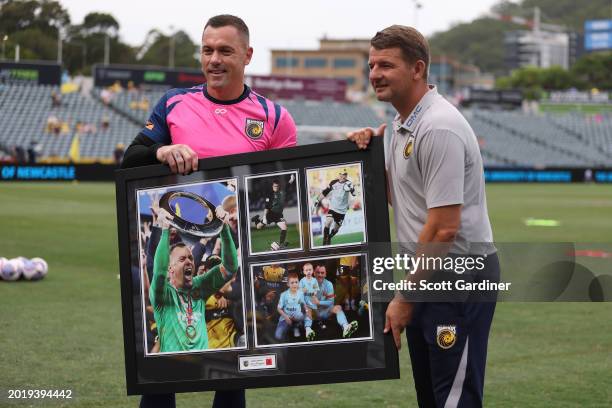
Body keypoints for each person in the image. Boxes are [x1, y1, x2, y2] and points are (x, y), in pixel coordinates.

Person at [121, 13, 297, 408]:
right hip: (181, 236)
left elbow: (286, 186)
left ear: (247, 55)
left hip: (237, 247)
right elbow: (130, 160)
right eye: (207, 50)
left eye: (225, 51)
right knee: (160, 372)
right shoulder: (174, 103)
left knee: (233, 370)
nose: (214, 59)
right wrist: (161, 150)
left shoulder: (274, 118)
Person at [348, 25, 499, 407]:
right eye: (371, 64)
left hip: (457, 277)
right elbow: (406, 200)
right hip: (431, 274)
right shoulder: (403, 124)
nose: (375, 73)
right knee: (433, 397)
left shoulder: (438, 126)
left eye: (386, 64)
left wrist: (404, 297)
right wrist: (365, 158)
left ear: (417, 69)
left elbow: (445, 228)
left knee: (454, 398)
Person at [150, 206, 237, 353]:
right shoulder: (163, 294)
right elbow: (158, 273)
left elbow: (230, 267)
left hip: (202, 366)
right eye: (182, 259)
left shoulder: (200, 286)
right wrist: (165, 229)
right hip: (175, 368)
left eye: (190, 258)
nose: (189, 261)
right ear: (170, 268)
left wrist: (224, 228)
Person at [308, 264, 358, 338]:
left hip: (326, 312)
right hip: (313, 314)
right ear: (314, 273)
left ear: (325, 274)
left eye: (322, 273)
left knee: (338, 307)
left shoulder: (329, 284)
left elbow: (330, 302)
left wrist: (319, 302)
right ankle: (307, 330)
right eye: (318, 272)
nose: (320, 275)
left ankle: (346, 327)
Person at [251, 174, 295, 250]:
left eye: (277, 186)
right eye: (274, 186)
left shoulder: (282, 192)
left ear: (279, 186)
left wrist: (291, 179)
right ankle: (256, 219)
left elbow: (288, 185)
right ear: (272, 186)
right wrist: (264, 216)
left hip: (279, 215)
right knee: (259, 227)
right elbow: (267, 207)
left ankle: (281, 245)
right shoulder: (270, 195)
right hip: (270, 214)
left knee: (284, 227)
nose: (276, 188)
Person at [312, 170, 356, 245]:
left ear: (346, 176)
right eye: (341, 174)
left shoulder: (349, 183)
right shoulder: (333, 182)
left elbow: (354, 193)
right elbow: (325, 192)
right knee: (328, 222)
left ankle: (329, 237)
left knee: (336, 229)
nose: (343, 176)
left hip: (342, 211)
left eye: (345, 175)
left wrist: (352, 190)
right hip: (333, 208)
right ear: (339, 175)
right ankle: (325, 241)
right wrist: (317, 200)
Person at [275, 272, 309, 341]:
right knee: (278, 335)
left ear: (298, 283)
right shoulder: (283, 295)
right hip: (286, 317)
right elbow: (279, 308)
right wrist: (286, 317)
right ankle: (289, 327)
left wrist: (307, 310)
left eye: (296, 282)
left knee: (305, 317)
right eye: (292, 283)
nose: (294, 284)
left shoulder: (300, 293)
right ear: (288, 284)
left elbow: (303, 303)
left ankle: (296, 326)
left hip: (297, 316)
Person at [297, 262, 318, 340]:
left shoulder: (314, 280)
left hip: (311, 300)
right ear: (304, 272)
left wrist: (314, 293)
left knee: (311, 313)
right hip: (303, 300)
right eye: (306, 270)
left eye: (310, 270)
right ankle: (307, 329)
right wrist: (303, 290)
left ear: (313, 271)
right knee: (307, 312)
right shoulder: (302, 281)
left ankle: (307, 327)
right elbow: (299, 291)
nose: (308, 272)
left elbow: (316, 289)